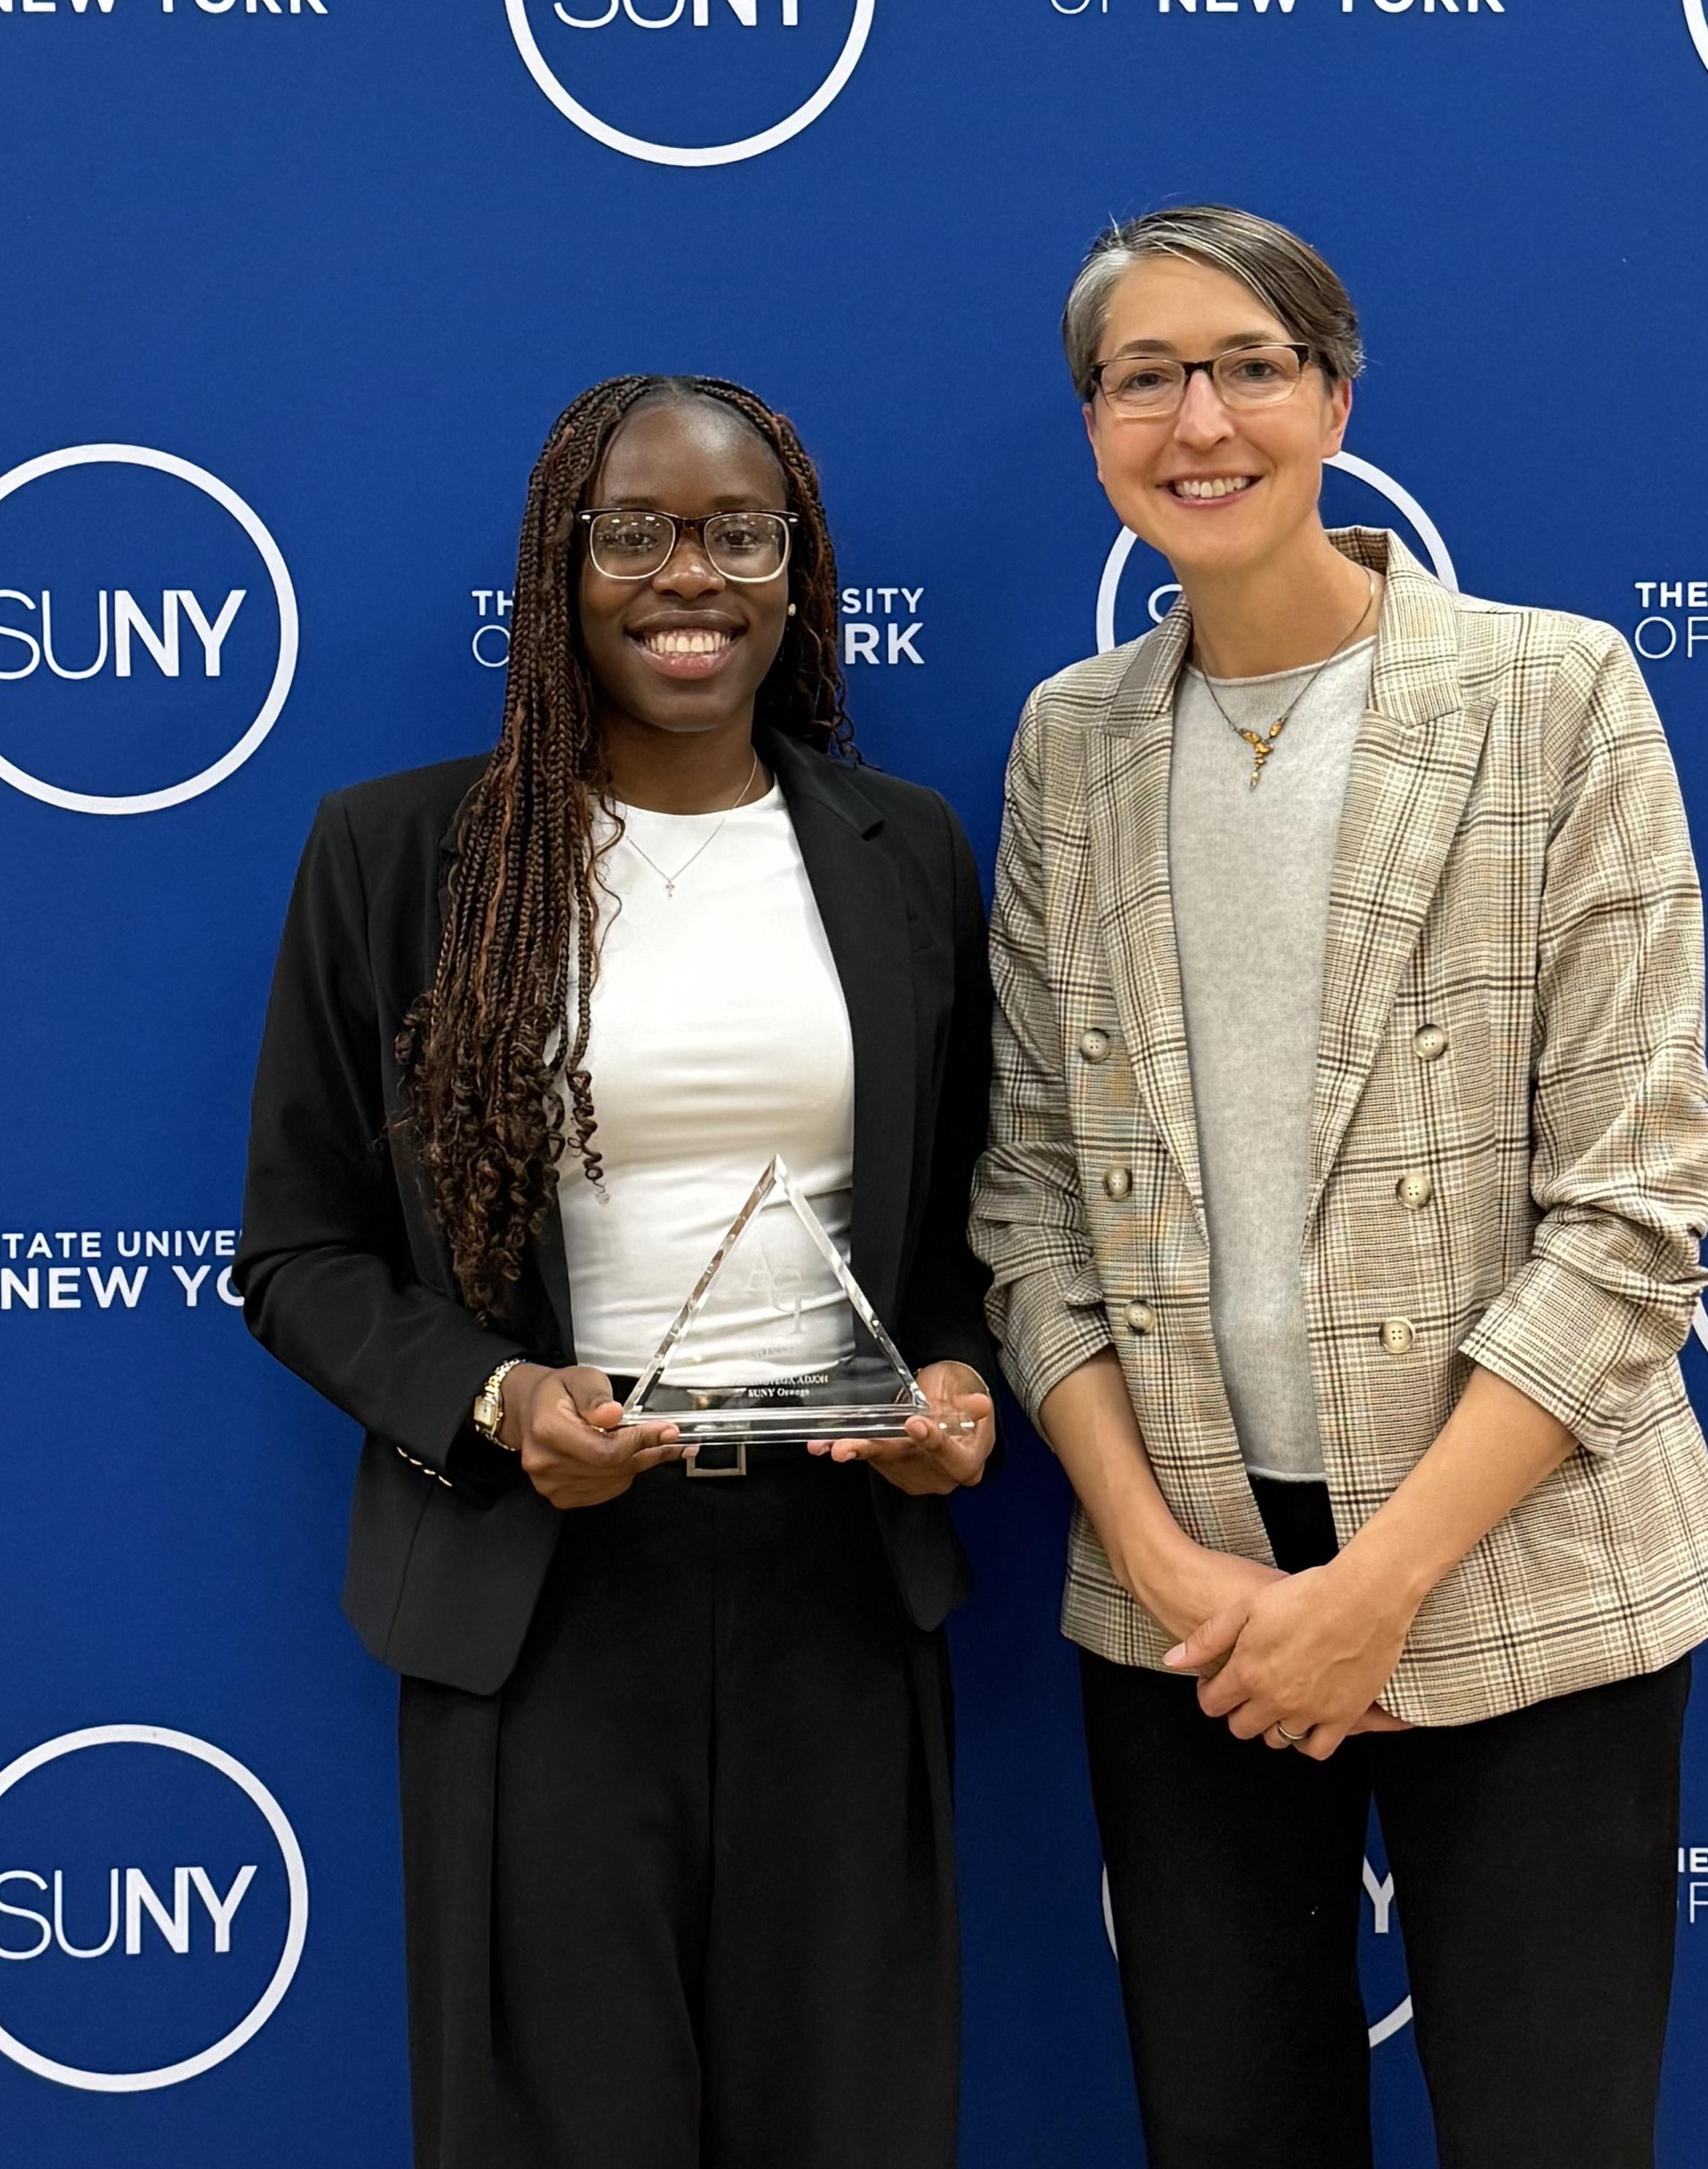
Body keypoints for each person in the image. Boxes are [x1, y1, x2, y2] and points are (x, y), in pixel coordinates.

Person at [971, 206, 1708, 2168]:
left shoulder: (1549, 694)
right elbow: (1030, 1212)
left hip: (1526, 1584)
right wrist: (1175, 1580)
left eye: (1244, 363)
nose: (1198, 416)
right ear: (1091, 433)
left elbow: (1629, 1214)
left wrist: (1377, 1593)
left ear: (1331, 397)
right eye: (1142, 377)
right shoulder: (1063, 752)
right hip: (1195, 1621)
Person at [240, 374, 997, 2169]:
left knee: (854, 2127)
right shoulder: (401, 855)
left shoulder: (908, 858)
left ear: (797, 573)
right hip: (540, 1603)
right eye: (637, 532)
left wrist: (961, 1391)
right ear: (557, 568)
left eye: (743, 534)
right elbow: (296, 1248)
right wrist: (500, 1399)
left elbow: (978, 1223)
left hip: (839, 1589)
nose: (693, 576)